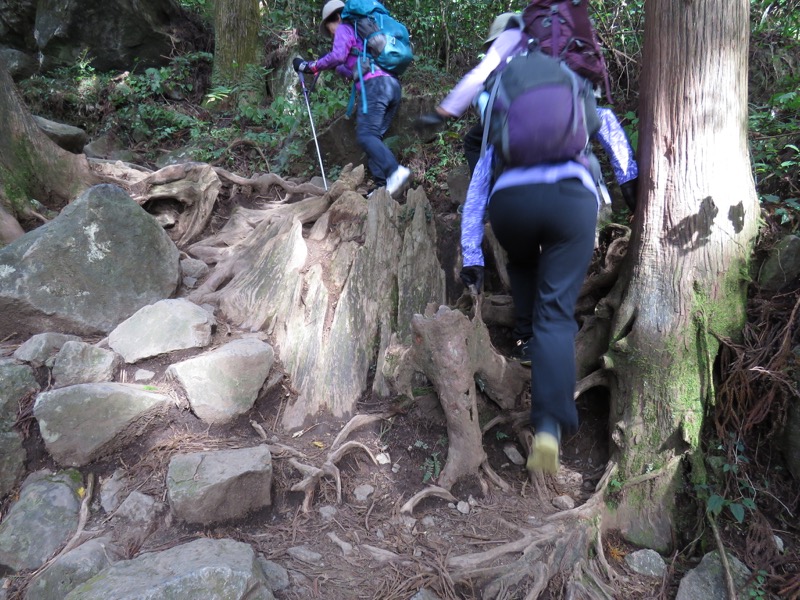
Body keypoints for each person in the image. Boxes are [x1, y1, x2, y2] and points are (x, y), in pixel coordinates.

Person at [415, 13, 639, 212]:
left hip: (519, 117)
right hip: (568, 114)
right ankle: (628, 184)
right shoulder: (552, 42)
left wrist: (444, 111)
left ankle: (488, 200)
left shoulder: (509, 39)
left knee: (477, 141)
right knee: (601, 118)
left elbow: (480, 75)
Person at [293, 0, 410, 197]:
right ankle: (382, 187)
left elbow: (338, 56)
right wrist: (330, 64)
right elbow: (348, 67)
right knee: (375, 136)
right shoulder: (363, 33)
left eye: (329, 27)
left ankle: (395, 172)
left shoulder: (344, 28)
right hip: (392, 87)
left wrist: (312, 66)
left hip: (375, 87)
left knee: (366, 136)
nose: (331, 32)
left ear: (336, 18)